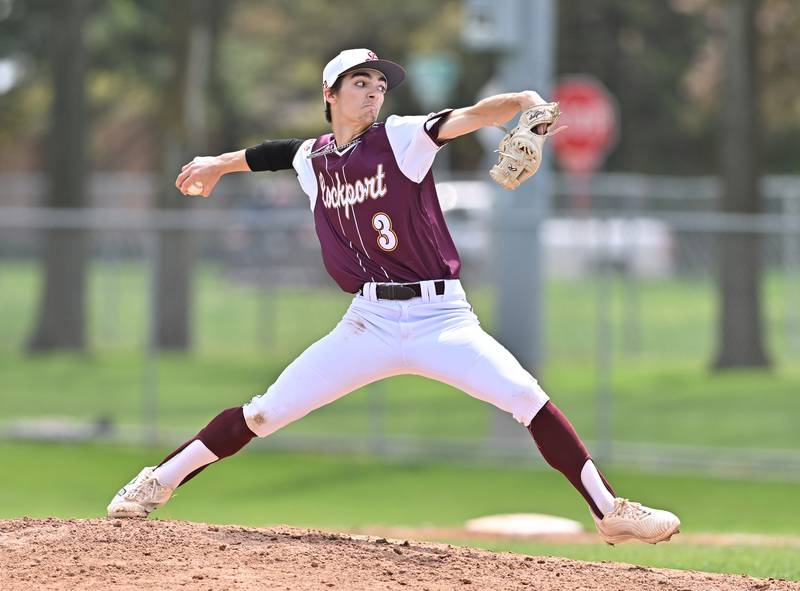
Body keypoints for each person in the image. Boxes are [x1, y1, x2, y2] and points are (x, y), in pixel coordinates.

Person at [107, 48, 680, 545]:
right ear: (329, 94)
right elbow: (274, 153)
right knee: (264, 412)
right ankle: (155, 482)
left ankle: (611, 513)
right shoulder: (315, 159)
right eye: (361, 82)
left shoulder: (403, 137)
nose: (374, 91)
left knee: (525, 397)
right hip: (369, 323)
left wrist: (527, 100)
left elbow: (476, 115)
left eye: (379, 84)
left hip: (441, 317)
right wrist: (217, 165)